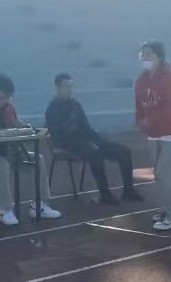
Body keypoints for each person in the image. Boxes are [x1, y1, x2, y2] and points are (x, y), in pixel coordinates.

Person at [0, 75, 62, 226]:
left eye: (9, 98)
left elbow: (16, 124)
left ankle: (39, 205)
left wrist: (25, 128)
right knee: (0, 165)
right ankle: (5, 209)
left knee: (37, 159)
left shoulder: (9, 108)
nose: (6, 101)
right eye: (2, 97)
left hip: (7, 151)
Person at [45, 73, 143, 205]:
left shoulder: (75, 105)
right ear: (58, 88)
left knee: (123, 151)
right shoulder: (52, 109)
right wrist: (74, 131)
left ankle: (128, 191)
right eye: (65, 86)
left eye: (70, 86)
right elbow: (57, 134)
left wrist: (101, 141)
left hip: (87, 140)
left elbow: (87, 128)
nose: (69, 89)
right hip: (69, 145)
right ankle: (105, 194)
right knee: (96, 154)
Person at [135, 40, 171, 230]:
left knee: (164, 175)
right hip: (154, 134)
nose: (144, 58)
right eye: (142, 54)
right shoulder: (141, 81)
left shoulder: (169, 78)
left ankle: (170, 214)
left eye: (148, 54)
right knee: (161, 176)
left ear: (158, 56)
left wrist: (152, 119)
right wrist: (141, 121)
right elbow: (139, 106)